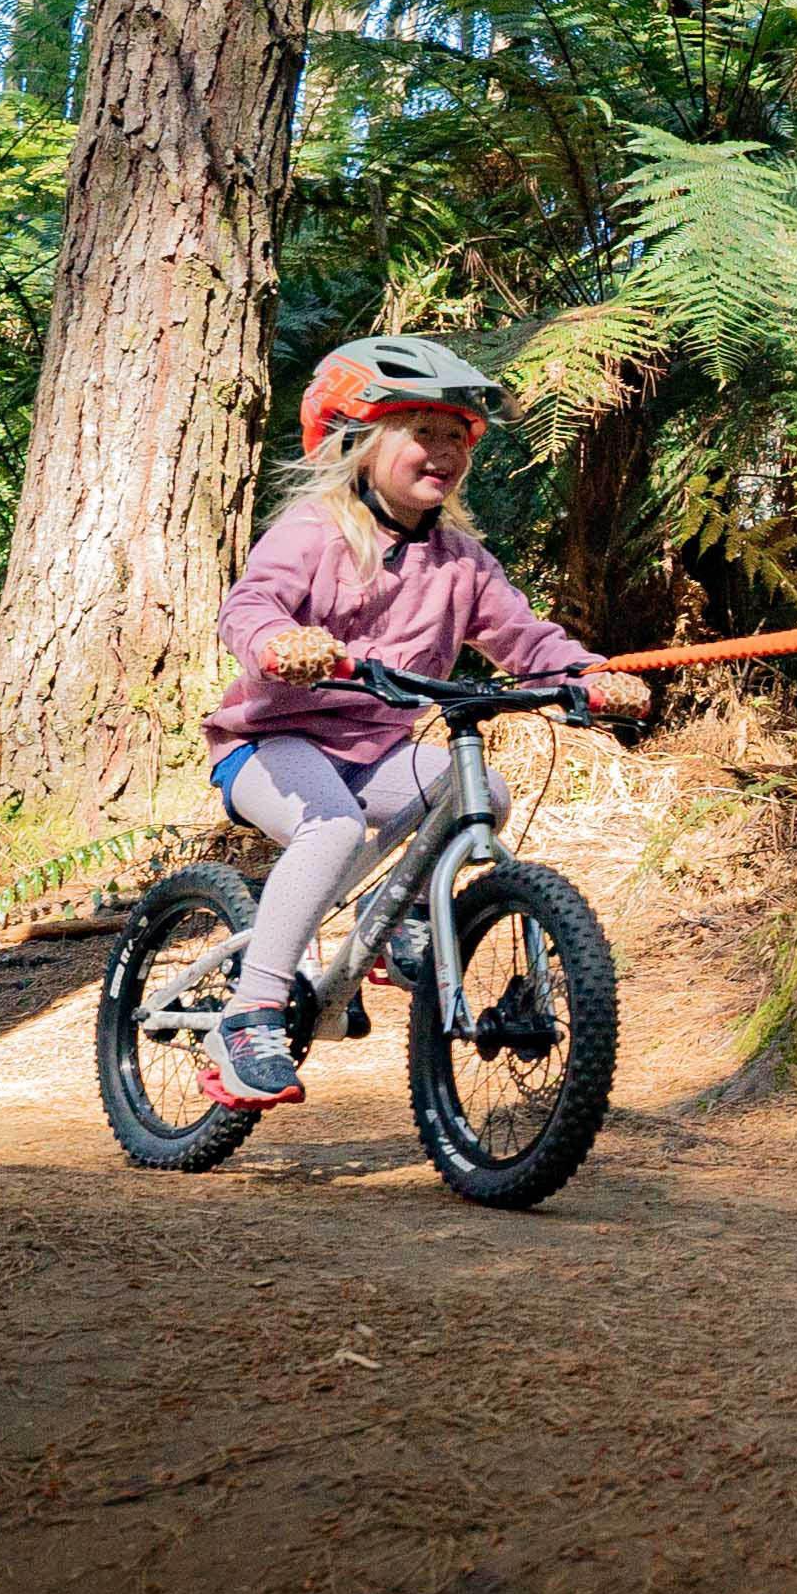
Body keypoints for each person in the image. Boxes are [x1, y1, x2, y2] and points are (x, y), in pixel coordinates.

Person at [197, 334, 650, 1111]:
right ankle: (251, 1013)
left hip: (376, 751)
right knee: (333, 830)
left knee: (482, 796)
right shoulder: (315, 532)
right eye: (421, 433)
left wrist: (588, 676)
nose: (442, 452)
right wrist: (280, 645)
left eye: (457, 437)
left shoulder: (462, 561)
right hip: (270, 745)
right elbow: (250, 606)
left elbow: (524, 640)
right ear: (362, 444)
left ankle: (394, 926)